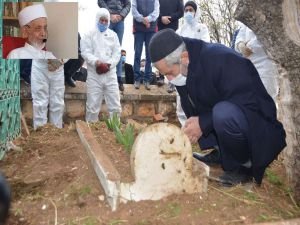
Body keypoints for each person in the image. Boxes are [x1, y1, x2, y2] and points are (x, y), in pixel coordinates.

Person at [149, 29, 286, 186]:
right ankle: (222, 152)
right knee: (212, 112)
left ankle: (245, 165)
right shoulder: (185, 66)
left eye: (170, 73)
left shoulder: (221, 59)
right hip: (234, 118)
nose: (169, 79)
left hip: (259, 129)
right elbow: (195, 104)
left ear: (184, 57)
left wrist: (204, 122)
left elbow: (249, 104)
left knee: (223, 113)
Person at [8, 4, 65, 129]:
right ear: (25, 30)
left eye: (45, 28)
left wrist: (60, 60)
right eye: (38, 29)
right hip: (38, 68)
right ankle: (40, 131)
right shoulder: (15, 53)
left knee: (58, 102)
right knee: (39, 102)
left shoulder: (54, 48)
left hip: (57, 70)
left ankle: (57, 131)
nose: (43, 33)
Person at [81, 8, 122, 122]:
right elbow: (85, 51)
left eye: (105, 20)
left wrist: (109, 64)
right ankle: (91, 128)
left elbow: (117, 53)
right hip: (94, 75)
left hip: (110, 74)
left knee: (115, 104)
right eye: (101, 20)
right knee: (92, 105)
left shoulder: (113, 35)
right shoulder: (89, 34)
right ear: (97, 19)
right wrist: (96, 62)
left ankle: (115, 129)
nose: (103, 23)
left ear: (108, 21)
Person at [175, 0, 210, 127]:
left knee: (198, 96)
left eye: (191, 10)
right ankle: (184, 125)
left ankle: (199, 125)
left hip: (198, 67)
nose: (188, 12)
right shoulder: (179, 30)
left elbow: (205, 44)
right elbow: (176, 49)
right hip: (183, 68)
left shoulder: (202, 28)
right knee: (181, 97)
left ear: (196, 12)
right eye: (186, 10)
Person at [235, 23, 279, 101]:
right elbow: (240, 36)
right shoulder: (248, 19)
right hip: (248, 61)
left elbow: (272, 39)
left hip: (266, 61)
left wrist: (252, 47)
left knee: (267, 93)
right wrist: (240, 44)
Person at [98, 0, 131, 92]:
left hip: (120, 21)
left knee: (118, 50)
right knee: (105, 48)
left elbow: (128, 4)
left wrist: (121, 15)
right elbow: (100, 1)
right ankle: (105, 77)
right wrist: (109, 14)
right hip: (108, 20)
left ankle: (118, 78)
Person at [132, 0, 160, 90]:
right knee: (137, 53)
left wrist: (147, 19)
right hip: (139, 29)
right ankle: (137, 79)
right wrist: (142, 19)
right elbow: (134, 10)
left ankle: (147, 79)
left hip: (151, 29)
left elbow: (156, 12)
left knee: (149, 55)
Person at [156, 0, 184, 87]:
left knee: (173, 53)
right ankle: (161, 77)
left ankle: (173, 80)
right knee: (160, 53)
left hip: (173, 28)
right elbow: (155, 9)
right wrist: (161, 18)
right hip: (160, 27)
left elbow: (181, 12)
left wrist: (170, 18)